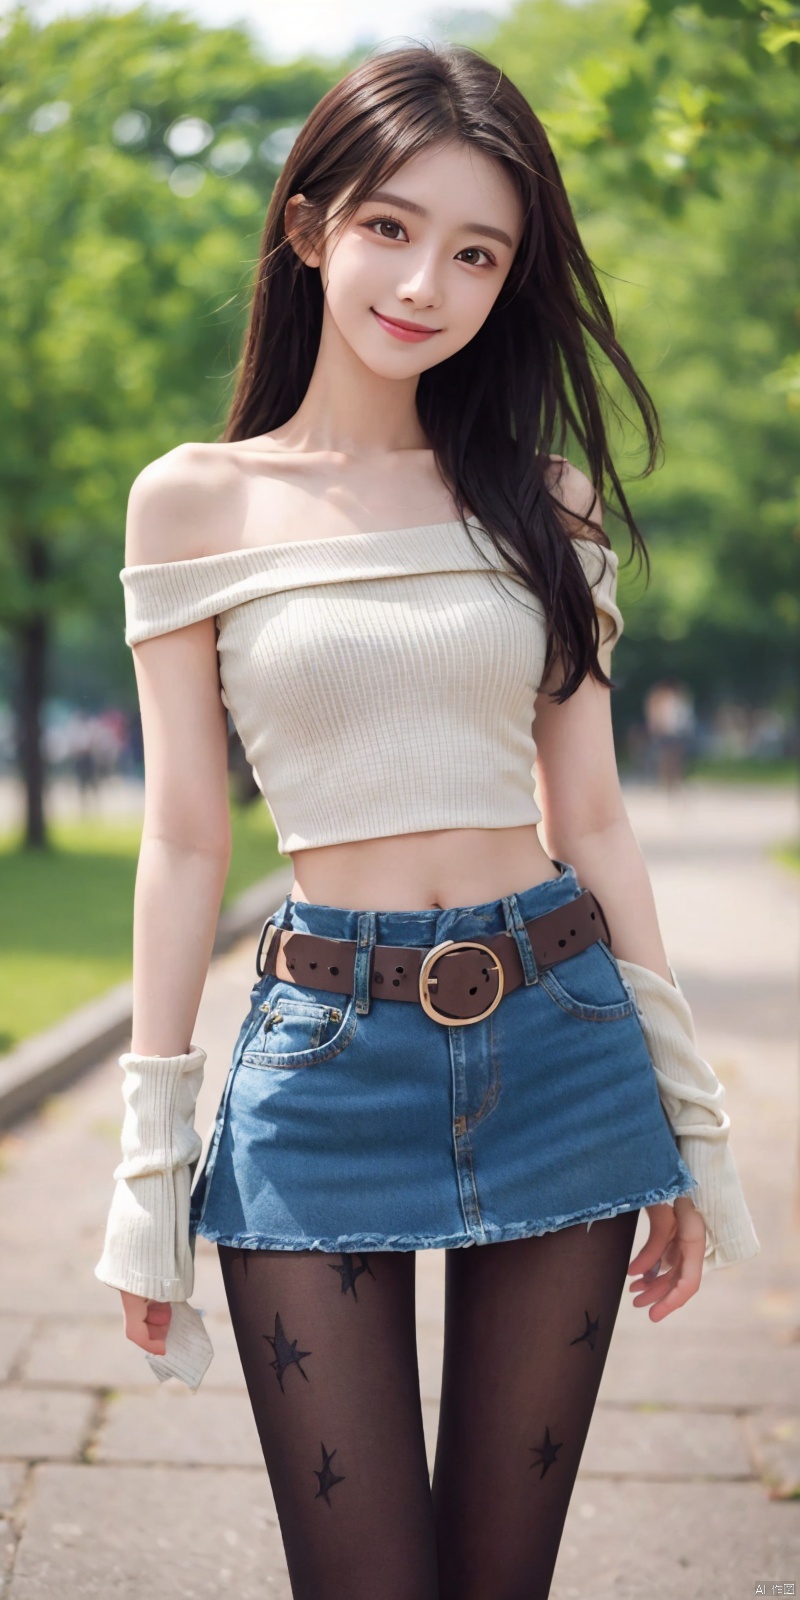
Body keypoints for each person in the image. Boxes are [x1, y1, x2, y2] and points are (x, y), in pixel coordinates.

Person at [94, 43, 759, 1600]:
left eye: (479, 252)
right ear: (311, 226)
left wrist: (687, 1119)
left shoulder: (549, 502)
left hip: (564, 1039)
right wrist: (148, 1169)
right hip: (320, 1062)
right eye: (393, 229)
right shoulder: (192, 501)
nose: (428, 282)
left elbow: (591, 814)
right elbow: (187, 836)